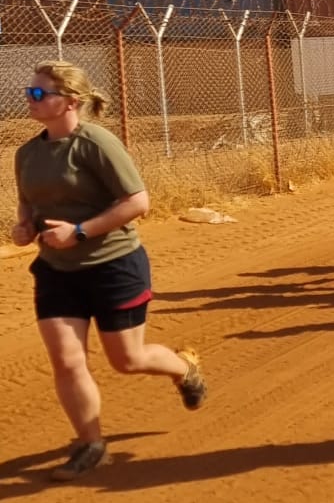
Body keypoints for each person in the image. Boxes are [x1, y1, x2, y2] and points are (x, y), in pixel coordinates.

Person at [12, 60, 206, 481]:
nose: (30, 99)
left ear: (70, 102)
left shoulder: (96, 144)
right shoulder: (27, 153)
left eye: (40, 93)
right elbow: (28, 202)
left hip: (112, 264)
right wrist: (23, 225)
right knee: (66, 360)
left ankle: (183, 367)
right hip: (56, 270)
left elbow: (137, 202)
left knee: (128, 359)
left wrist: (80, 231)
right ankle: (90, 444)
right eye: (29, 92)